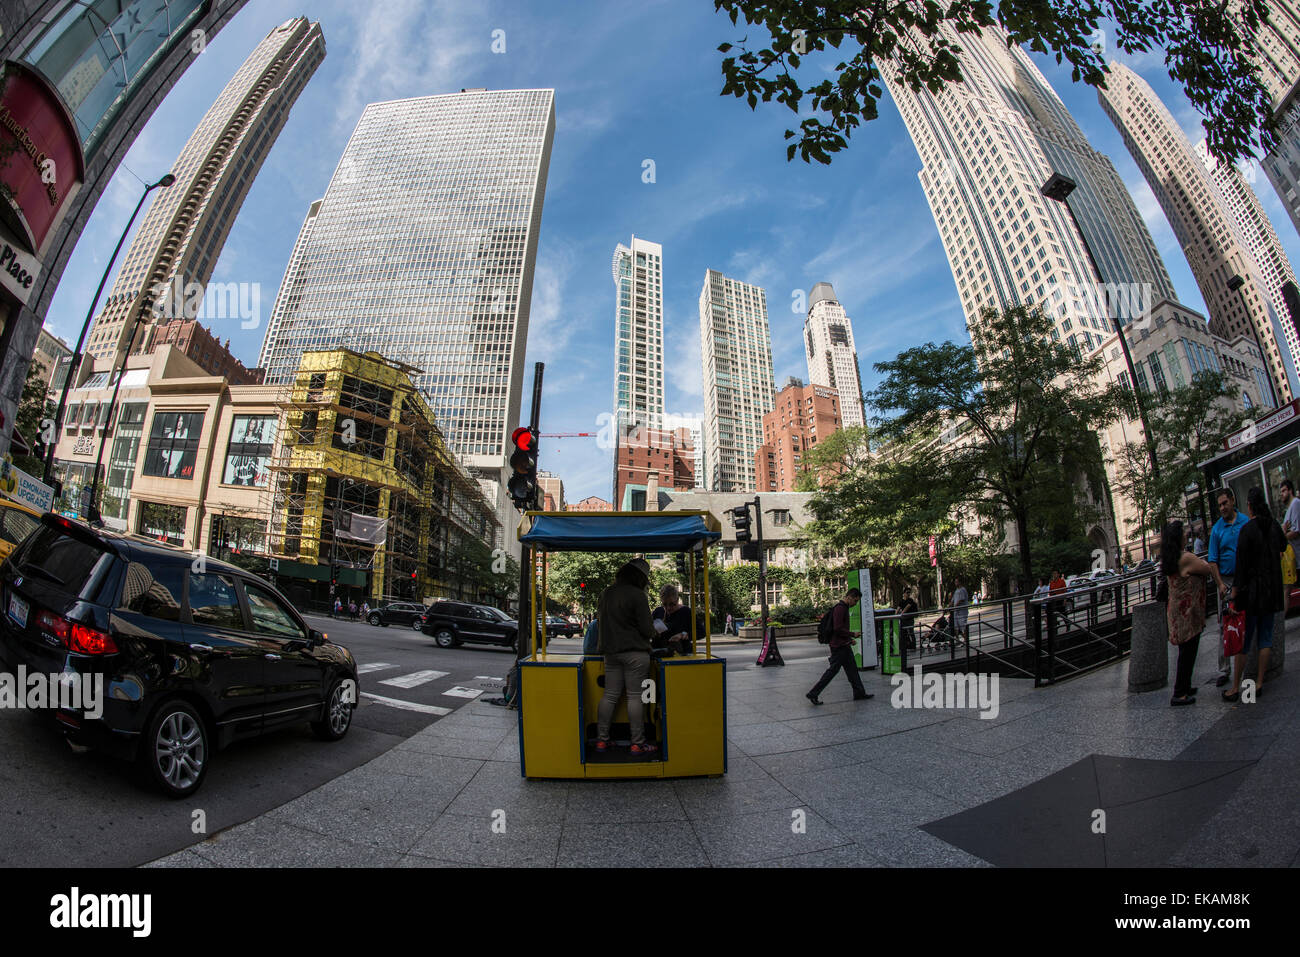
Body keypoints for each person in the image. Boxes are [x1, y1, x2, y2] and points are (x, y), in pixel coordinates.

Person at [1224, 486, 1286, 701]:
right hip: (1271, 591)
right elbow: (1284, 545)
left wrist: (1233, 594)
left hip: (1251, 594)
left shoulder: (1247, 530)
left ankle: (1235, 688)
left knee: (1245, 639)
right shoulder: (1273, 525)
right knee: (1266, 637)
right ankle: (1258, 683)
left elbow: (1240, 567)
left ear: (1249, 506)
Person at [595, 558, 659, 755]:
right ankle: (637, 743)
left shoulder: (606, 593)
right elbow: (648, 630)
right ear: (640, 577)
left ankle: (602, 740)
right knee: (634, 698)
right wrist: (656, 631)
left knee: (610, 695)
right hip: (635, 653)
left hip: (610, 653)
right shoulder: (637, 595)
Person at [1162, 519, 1227, 706]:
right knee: (1188, 652)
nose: (1185, 535)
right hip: (1187, 613)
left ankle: (1185, 686)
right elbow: (1207, 568)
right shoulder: (1186, 558)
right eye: (1183, 533)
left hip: (1177, 612)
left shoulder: (1171, 558)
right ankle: (1179, 693)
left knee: (1185, 651)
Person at [1208, 487, 1249, 686]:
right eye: (1220, 505)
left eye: (1225, 503)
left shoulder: (1245, 522)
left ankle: (1248, 662)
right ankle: (1223, 669)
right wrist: (1220, 584)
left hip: (1245, 580)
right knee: (1225, 626)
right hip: (1226, 580)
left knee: (1247, 619)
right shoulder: (1216, 529)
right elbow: (1212, 561)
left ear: (1232, 501)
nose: (1222, 508)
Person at [807, 588, 873, 705]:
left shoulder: (843, 608)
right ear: (849, 597)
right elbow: (837, 628)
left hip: (843, 645)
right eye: (855, 601)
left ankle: (859, 693)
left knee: (852, 670)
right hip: (839, 647)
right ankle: (813, 693)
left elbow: (840, 629)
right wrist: (852, 634)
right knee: (832, 671)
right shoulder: (840, 609)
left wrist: (849, 640)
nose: (855, 604)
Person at [652, 585, 693, 656]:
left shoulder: (686, 612)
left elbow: (701, 632)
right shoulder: (658, 611)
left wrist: (682, 635)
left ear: (677, 600)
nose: (668, 608)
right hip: (660, 654)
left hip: (682, 655)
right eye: (664, 604)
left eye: (672, 604)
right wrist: (653, 633)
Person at [1280, 478, 1300, 574]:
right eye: (1281, 492)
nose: (1281, 494)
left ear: (1290, 490)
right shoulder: (1288, 509)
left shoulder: (1296, 503)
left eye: (1284, 490)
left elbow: (1296, 531)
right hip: (1295, 559)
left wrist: (1283, 534)